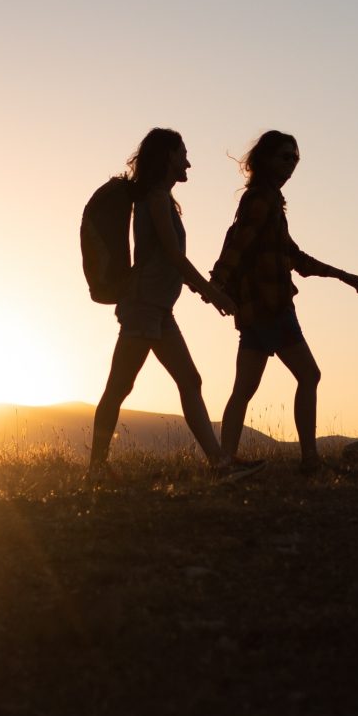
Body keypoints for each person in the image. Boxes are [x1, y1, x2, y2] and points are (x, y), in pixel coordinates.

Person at [213, 130, 358, 472]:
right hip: (272, 309)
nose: (291, 165)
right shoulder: (261, 200)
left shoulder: (266, 200)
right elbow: (239, 242)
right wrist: (216, 282)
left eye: (294, 159)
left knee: (244, 389)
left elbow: (292, 255)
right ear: (264, 159)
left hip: (257, 311)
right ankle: (309, 459)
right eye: (284, 157)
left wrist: (341, 275)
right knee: (308, 375)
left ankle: (225, 460)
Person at [90, 128, 237, 480]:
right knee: (119, 387)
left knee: (190, 380)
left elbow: (171, 258)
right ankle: (95, 468)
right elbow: (173, 255)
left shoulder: (161, 199)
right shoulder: (155, 199)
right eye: (183, 152)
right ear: (168, 156)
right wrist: (212, 293)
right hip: (143, 306)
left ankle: (219, 463)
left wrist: (204, 291)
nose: (188, 161)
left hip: (158, 309)